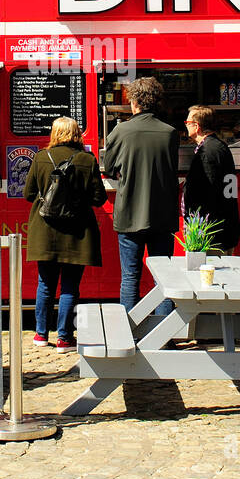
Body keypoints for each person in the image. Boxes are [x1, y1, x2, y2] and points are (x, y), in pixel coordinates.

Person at [23, 116, 107, 350]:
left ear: (54, 133)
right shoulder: (87, 160)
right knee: (70, 286)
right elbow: (99, 198)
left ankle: (40, 335)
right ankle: (64, 337)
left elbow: (28, 194)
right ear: (77, 133)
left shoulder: (41, 157)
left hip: (45, 231)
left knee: (45, 284)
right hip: (77, 232)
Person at [103, 76, 180, 313]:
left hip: (129, 215)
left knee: (130, 277)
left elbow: (109, 166)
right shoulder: (170, 133)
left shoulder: (122, 131)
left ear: (134, 102)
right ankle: (165, 334)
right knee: (164, 279)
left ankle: (131, 333)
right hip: (162, 215)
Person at [182, 106, 239, 253]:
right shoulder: (220, 147)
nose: (186, 125)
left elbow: (205, 195)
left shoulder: (207, 152)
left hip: (211, 236)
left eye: (187, 122)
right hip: (224, 230)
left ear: (197, 126)